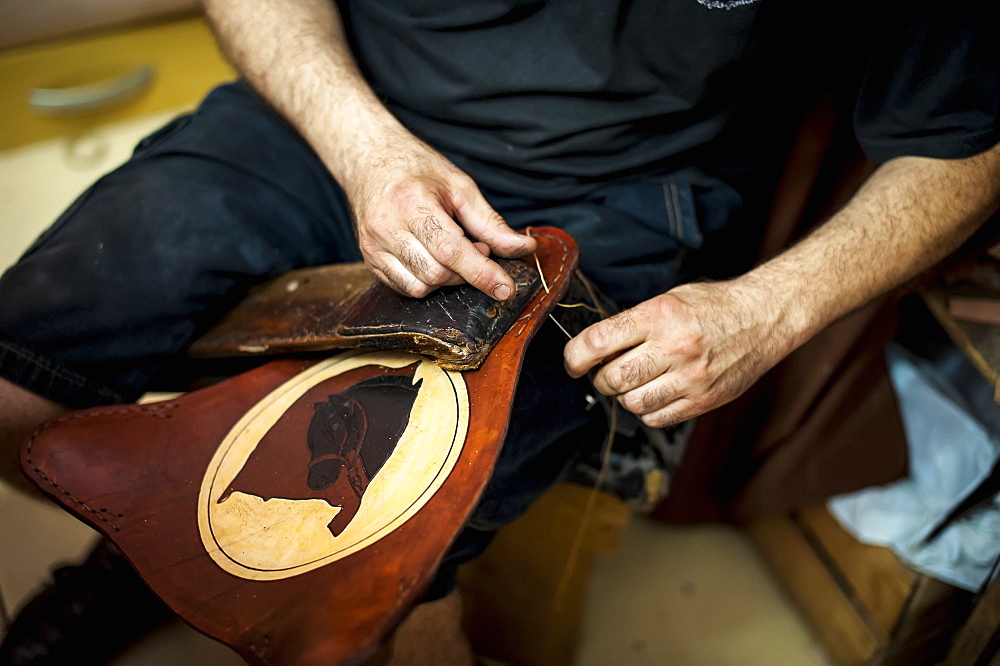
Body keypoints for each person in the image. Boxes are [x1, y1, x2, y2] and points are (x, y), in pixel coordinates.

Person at [1, 0, 998, 662]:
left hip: (612, 189)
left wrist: (763, 308)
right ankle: (141, 564)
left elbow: (965, 145)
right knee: (19, 395)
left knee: (387, 562)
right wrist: (363, 150)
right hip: (341, 113)